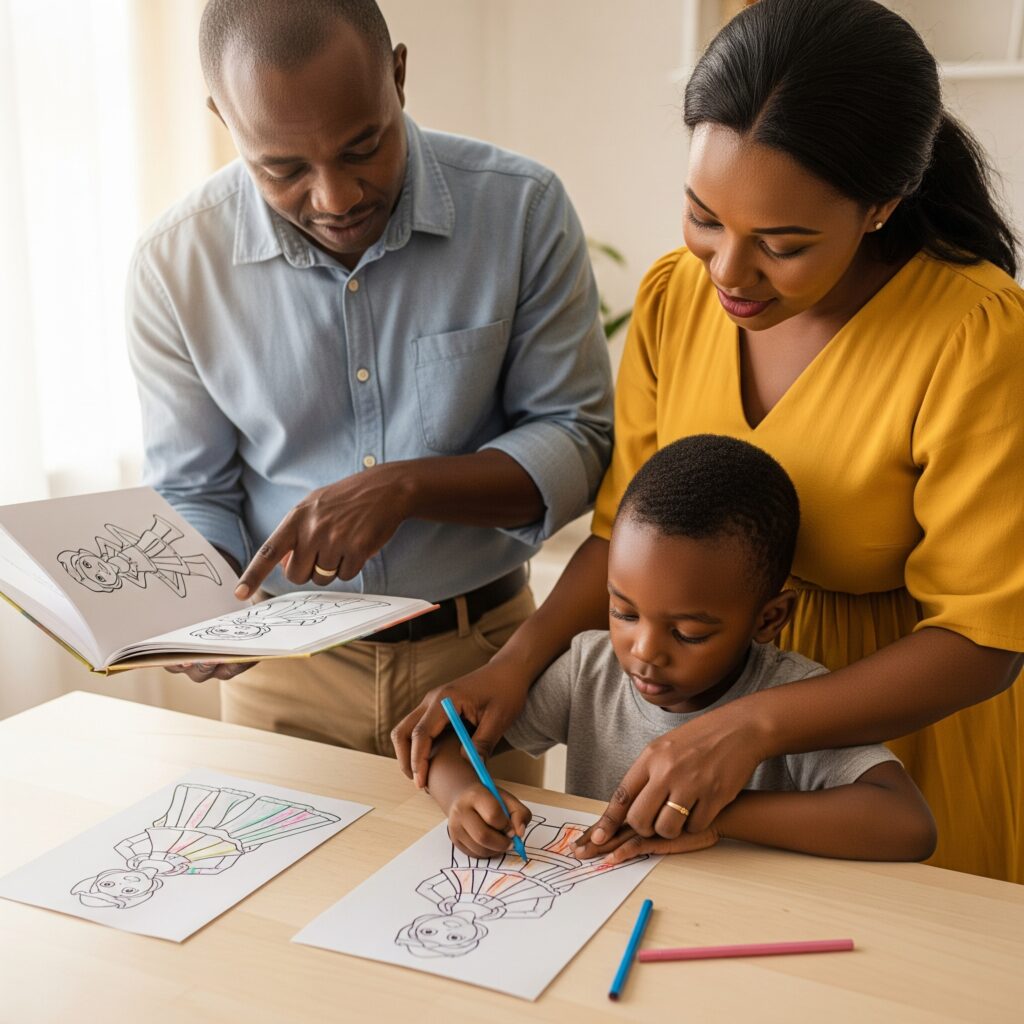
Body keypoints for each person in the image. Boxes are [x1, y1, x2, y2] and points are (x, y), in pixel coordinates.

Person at [394, 0, 1024, 881]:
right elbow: (621, 535)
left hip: (889, 772)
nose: (728, 272)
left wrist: (745, 729)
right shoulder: (674, 299)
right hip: (692, 768)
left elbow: (986, 640)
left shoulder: (976, 336)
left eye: (783, 244)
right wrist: (514, 665)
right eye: (704, 217)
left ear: (880, 207)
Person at [126, 0, 613, 774]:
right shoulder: (174, 263)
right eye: (283, 169)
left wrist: (407, 487)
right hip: (284, 682)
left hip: (480, 666)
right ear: (223, 118)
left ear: (398, 74)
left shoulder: (521, 209)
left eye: (364, 148)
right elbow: (193, 487)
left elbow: (579, 441)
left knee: (487, 891)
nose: (336, 197)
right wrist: (206, 603)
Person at [423, 436, 936, 866]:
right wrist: (463, 795)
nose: (645, 652)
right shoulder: (590, 670)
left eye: (689, 633)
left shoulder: (792, 694)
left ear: (769, 619)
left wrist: (715, 813)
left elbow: (907, 825)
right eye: (623, 612)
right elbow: (450, 742)